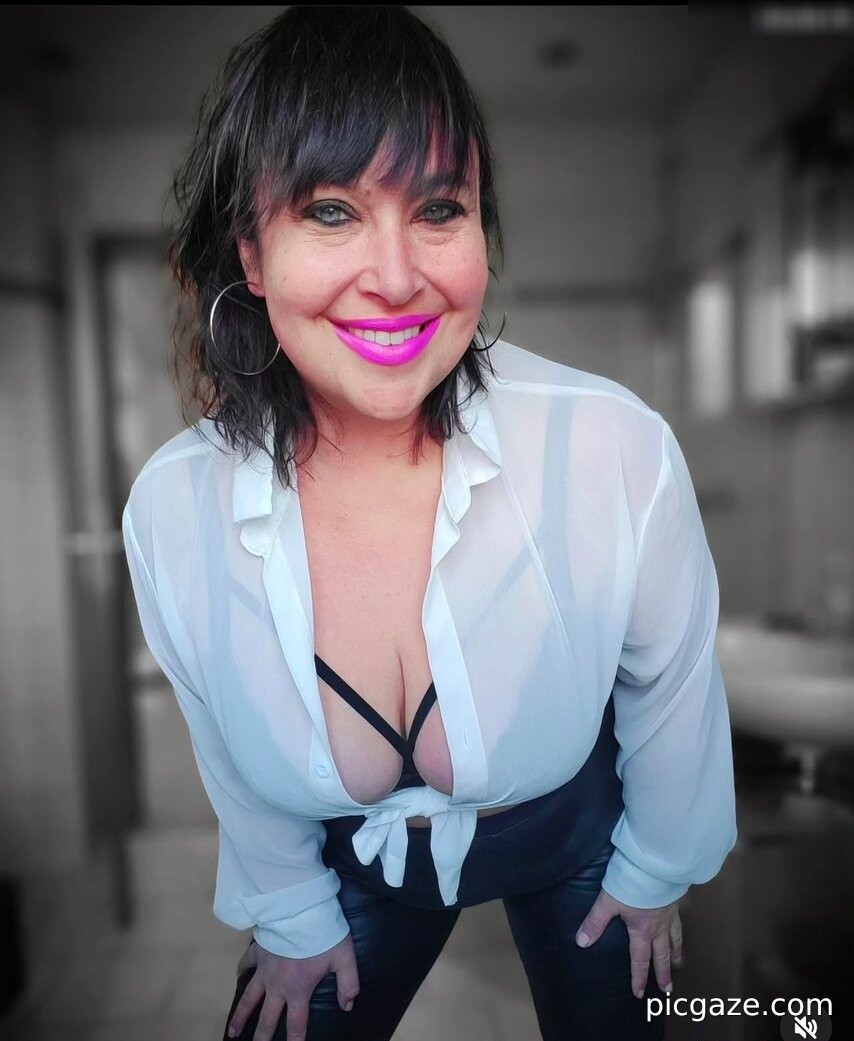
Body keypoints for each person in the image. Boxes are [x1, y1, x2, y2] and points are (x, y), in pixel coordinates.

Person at [121, 6, 738, 1041]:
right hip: (358, 867)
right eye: (330, 211)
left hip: (581, 845)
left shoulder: (608, 444)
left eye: (439, 209)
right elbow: (223, 740)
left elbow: (672, 680)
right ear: (252, 255)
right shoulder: (175, 508)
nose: (399, 276)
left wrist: (655, 868)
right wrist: (289, 907)